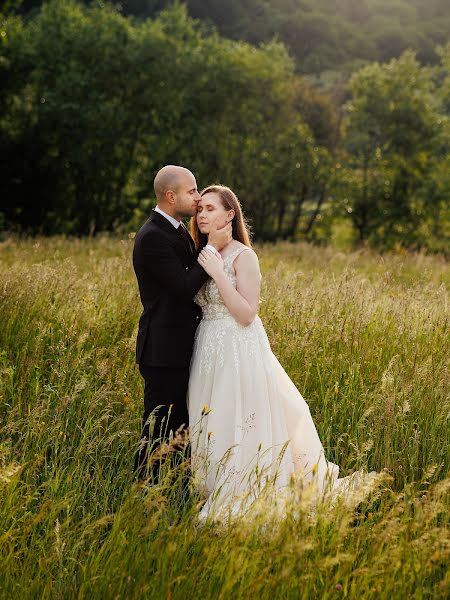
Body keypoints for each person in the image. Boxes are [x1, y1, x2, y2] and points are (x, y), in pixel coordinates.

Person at [188, 185, 376, 520]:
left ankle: (246, 489)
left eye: (211, 209)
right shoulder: (200, 252)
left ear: (230, 214)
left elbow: (247, 314)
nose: (202, 215)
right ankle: (215, 485)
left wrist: (218, 272)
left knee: (242, 417)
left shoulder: (243, 256)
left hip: (238, 347)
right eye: (200, 209)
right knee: (213, 416)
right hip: (208, 347)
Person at [132, 166, 231, 481]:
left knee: (179, 428)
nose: (198, 196)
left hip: (180, 347)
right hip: (162, 350)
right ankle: (144, 494)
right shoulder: (152, 237)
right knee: (159, 429)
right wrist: (213, 246)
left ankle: (173, 488)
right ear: (171, 195)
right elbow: (184, 287)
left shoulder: (175, 229)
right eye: (192, 191)